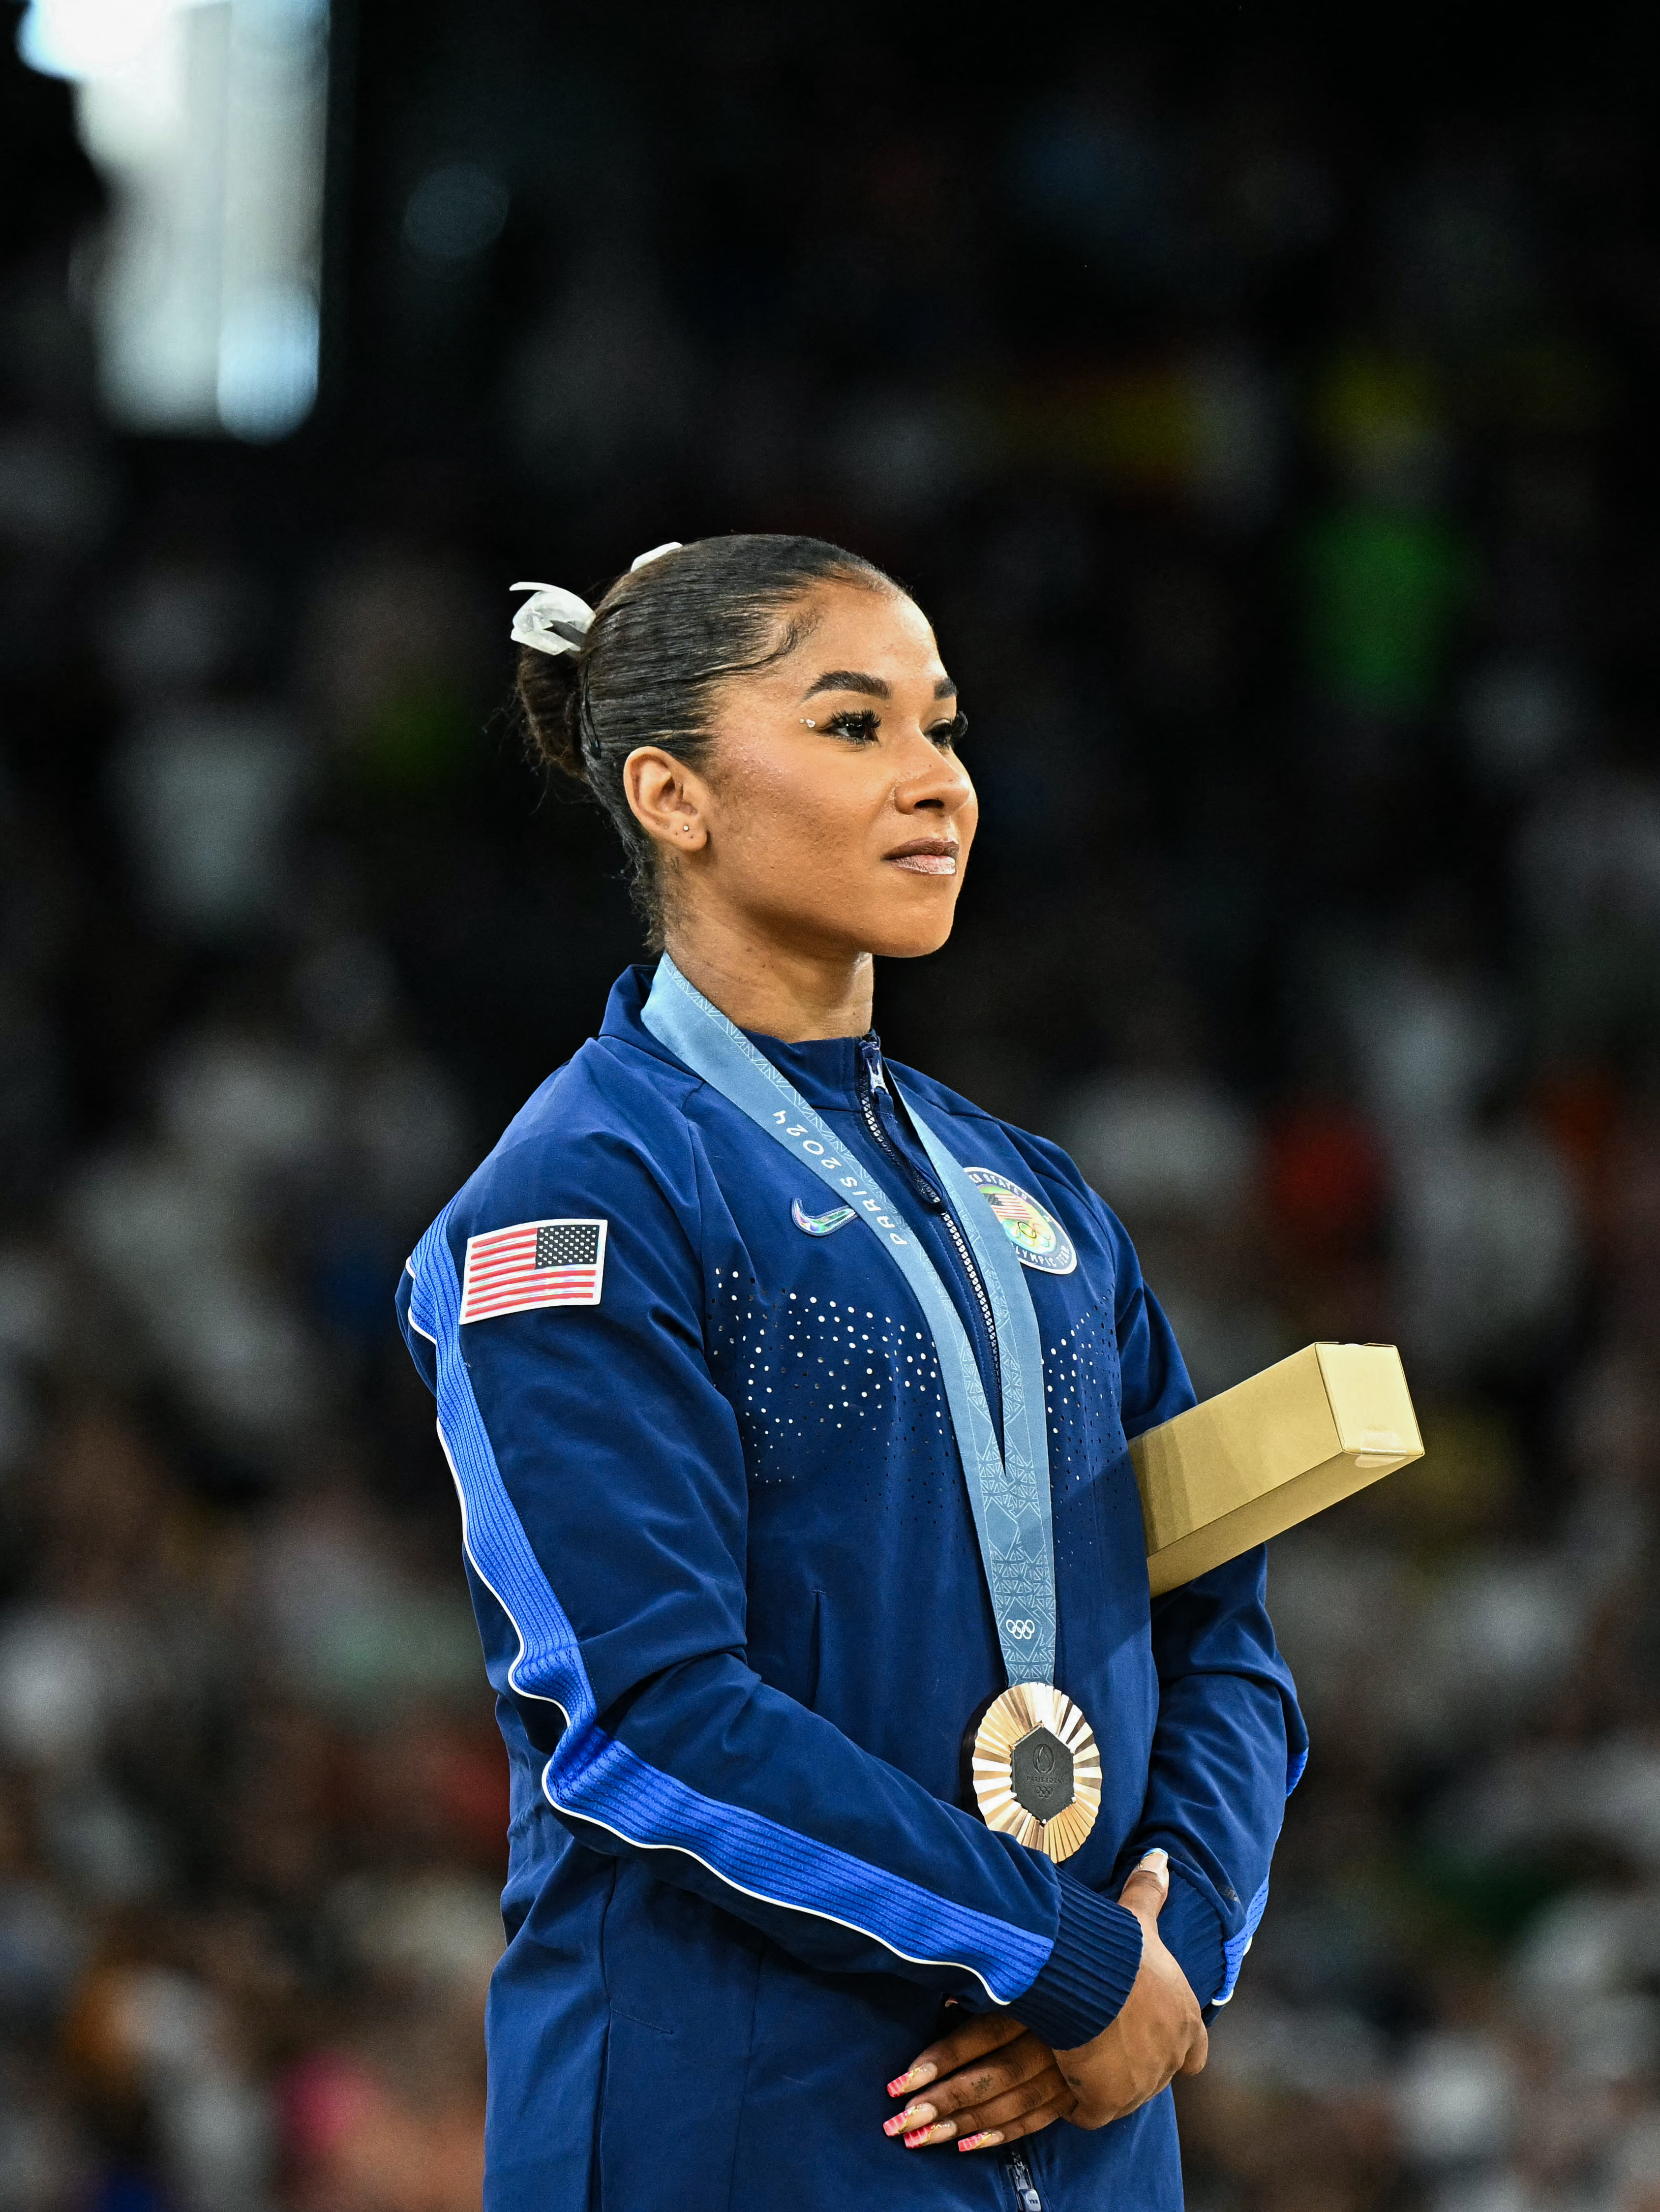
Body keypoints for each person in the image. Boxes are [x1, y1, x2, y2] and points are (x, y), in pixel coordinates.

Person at [396, 534, 1305, 2208]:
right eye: (851, 727)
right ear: (671, 796)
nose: (935, 782)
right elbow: (647, 1719)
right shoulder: (581, 1198)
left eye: (945, 730)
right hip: (746, 2120)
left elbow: (1218, 1620)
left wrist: (1166, 1941)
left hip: (1084, 2122)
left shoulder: (1040, 1205)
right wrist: (1063, 1962)